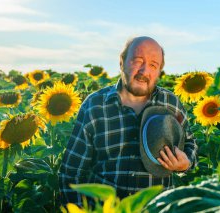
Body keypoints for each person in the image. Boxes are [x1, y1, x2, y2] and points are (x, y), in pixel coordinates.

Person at [59, 36, 197, 206]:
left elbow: (190, 142)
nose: (144, 71)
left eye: (153, 65)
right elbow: (71, 173)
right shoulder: (95, 106)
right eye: (138, 61)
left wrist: (186, 163)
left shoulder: (171, 104)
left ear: (159, 71)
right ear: (122, 62)